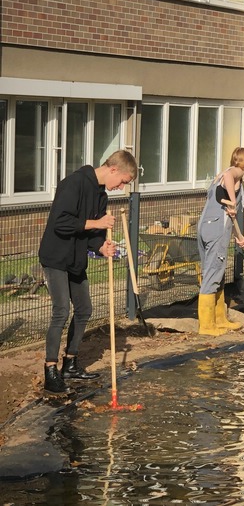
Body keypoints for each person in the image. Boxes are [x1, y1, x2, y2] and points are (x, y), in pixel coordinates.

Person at [39, 149, 138, 395]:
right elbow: (60, 222)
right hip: (56, 256)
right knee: (61, 311)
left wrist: (101, 247)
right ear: (113, 169)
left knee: (84, 309)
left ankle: (70, 364)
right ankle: (50, 370)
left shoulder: (100, 195)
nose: (120, 187)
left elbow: (93, 236)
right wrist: (97, 223)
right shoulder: (73, 183)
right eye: (122, 181)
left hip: (76, 259)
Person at [197, 147, 244, 336]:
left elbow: (230, 216)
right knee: (213, 273)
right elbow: (229, 177)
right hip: (216, 230)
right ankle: (206, 325)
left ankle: (219, 319)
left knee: (215, 273)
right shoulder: (232, 174)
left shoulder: (219, 177)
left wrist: (239, 236)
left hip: (205, 227)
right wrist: (233, 200)